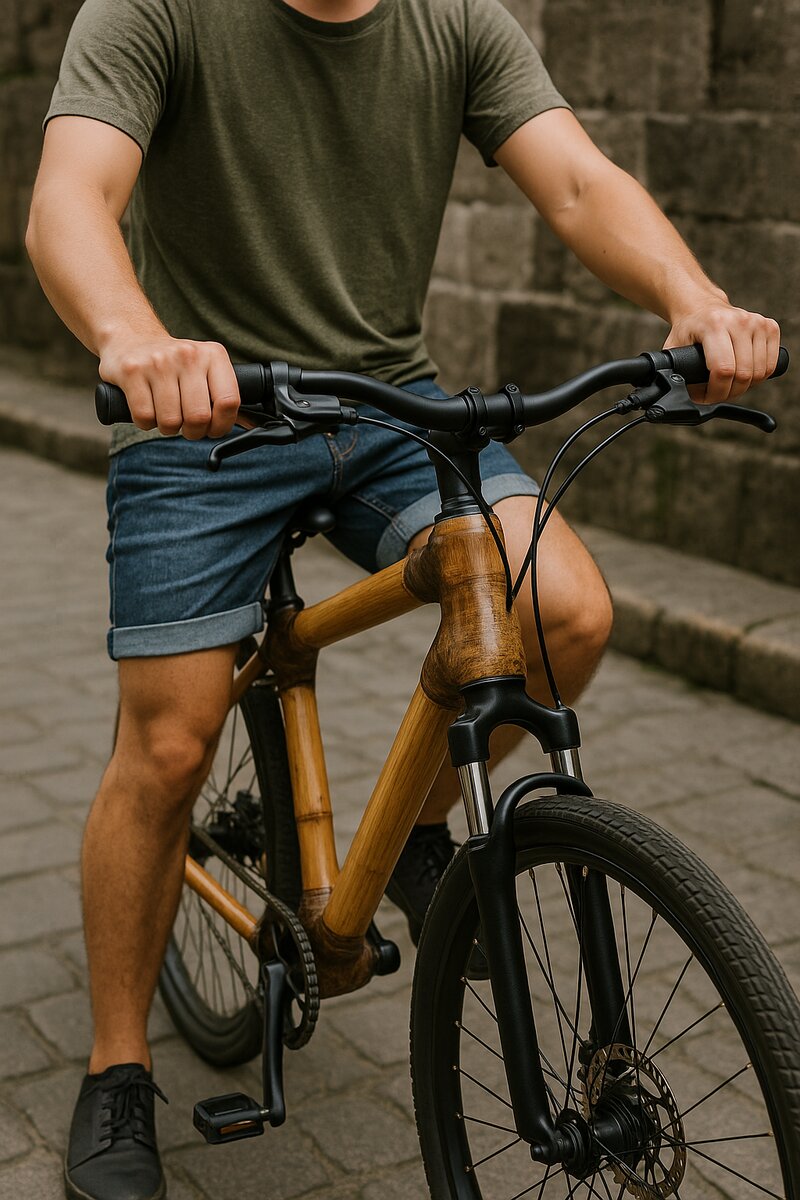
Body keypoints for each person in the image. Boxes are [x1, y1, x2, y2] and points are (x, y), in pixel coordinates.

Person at [27, 0, 780, 1196]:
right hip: (200, 416)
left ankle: (422, 836)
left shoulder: (455, 22)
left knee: (563, 610)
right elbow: (72, 193)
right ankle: (117, 1070)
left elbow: (577, 182)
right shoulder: (153, 9)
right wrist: (132, 338)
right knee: (169, 744)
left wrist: (691, 302)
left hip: (383, 403)